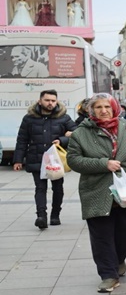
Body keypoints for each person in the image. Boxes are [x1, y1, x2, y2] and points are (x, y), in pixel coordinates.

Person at [67, 93, 126, 293]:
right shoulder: (81, 133)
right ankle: (108, 275)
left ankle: (118, 259)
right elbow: (73, 160)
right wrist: (103, 164)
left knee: (125, 234)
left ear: (114, 108)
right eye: (98, 107)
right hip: (96, 190)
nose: (103, 110)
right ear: (91, 110)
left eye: (107, 106)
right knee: (101, 237)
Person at [13, 89, 77, 229]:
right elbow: (22, 139)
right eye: (47, 100)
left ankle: (55, 215)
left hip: (56, 159)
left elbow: (77, 133)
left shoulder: (63, 117)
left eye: (53, 101)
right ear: (40, 101)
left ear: (57, 101)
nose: (50, 103)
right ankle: (41, 216)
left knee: (58, 188)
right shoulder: (29, 118)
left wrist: (62, 140)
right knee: (40, 188)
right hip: (36, 157)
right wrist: (18, 160)